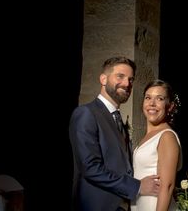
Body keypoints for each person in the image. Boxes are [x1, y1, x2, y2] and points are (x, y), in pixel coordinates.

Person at [69, 56, 161, 211]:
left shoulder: (118, 120)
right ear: (103, 79)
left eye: (131, 80)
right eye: (120, 76)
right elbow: (90, 167)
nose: (127, 84)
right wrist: (137, 186)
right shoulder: (86, 113)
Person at [131, 79, 182, 211]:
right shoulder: (148, 137)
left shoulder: (167, 136)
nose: (152, 103)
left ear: (170, 106)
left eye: (159, 99)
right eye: (148, 97)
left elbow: (168, 185)